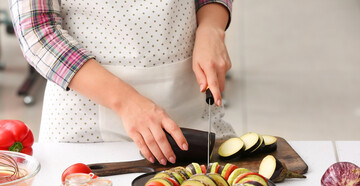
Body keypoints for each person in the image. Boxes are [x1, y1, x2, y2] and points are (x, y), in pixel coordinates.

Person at [9, 0, 236, 165]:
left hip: (189, 99)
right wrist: (126, 102)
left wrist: (211, 29)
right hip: (85, 122)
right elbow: (38, 32)